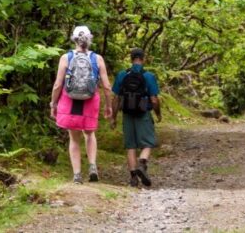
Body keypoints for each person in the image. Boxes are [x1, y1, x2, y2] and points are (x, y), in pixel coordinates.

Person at [50, 26, 113, 184]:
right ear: (89, 39)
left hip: (70, 101)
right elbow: (106, 86)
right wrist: (109, 105)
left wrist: (53, 104)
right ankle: (92, 166)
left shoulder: (66, 57)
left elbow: (58, 85)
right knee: (90, 134)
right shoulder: (97, 59)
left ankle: (77, 175)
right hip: (90, 101)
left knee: (74, 138)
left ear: (74, 39)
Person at [110, 48, 161, 187]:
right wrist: (158, 114)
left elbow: (116, 99)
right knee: (148, 142)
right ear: (143, 59)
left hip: (127, 113)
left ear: (131, 59)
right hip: (143, 113)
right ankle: (142, 163)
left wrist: (113, 117)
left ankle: (133, 178)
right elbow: (154, 100)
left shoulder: (122, 75)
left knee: (130, 146)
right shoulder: (148, 76)